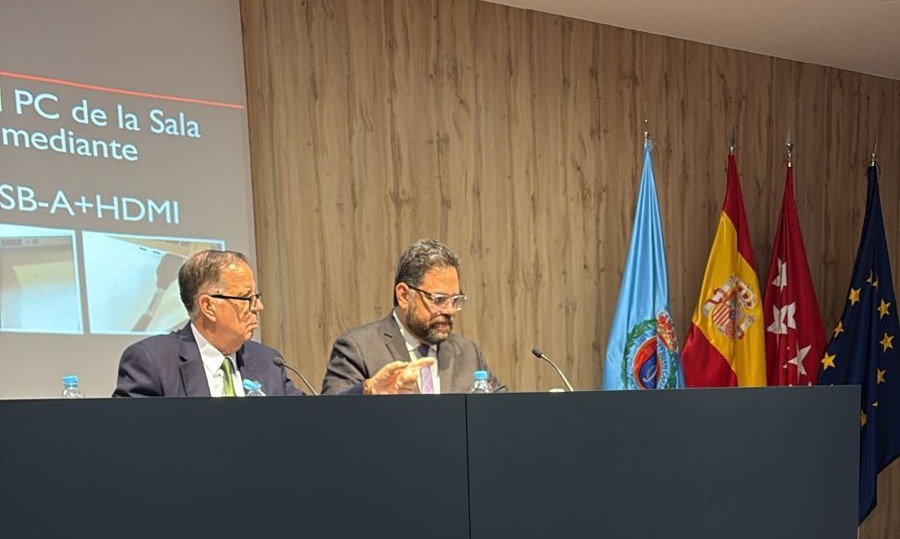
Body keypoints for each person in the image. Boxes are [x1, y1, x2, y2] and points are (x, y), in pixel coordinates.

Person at [114, 249, 431, 397]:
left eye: (257, 296)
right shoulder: (152, 361)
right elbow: (132, 445)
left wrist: (368, 390)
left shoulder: (267, 362)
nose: (259, 307)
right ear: (208, 306)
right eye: (246, 298)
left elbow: (312, 422)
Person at [322, 239, 499, 395]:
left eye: (455, 300)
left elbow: (502, 408)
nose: (449, 311)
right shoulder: (358, 349)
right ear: (404, 296)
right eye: (439, 299)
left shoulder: (468, 354)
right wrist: (368, 390)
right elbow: (329, 415)